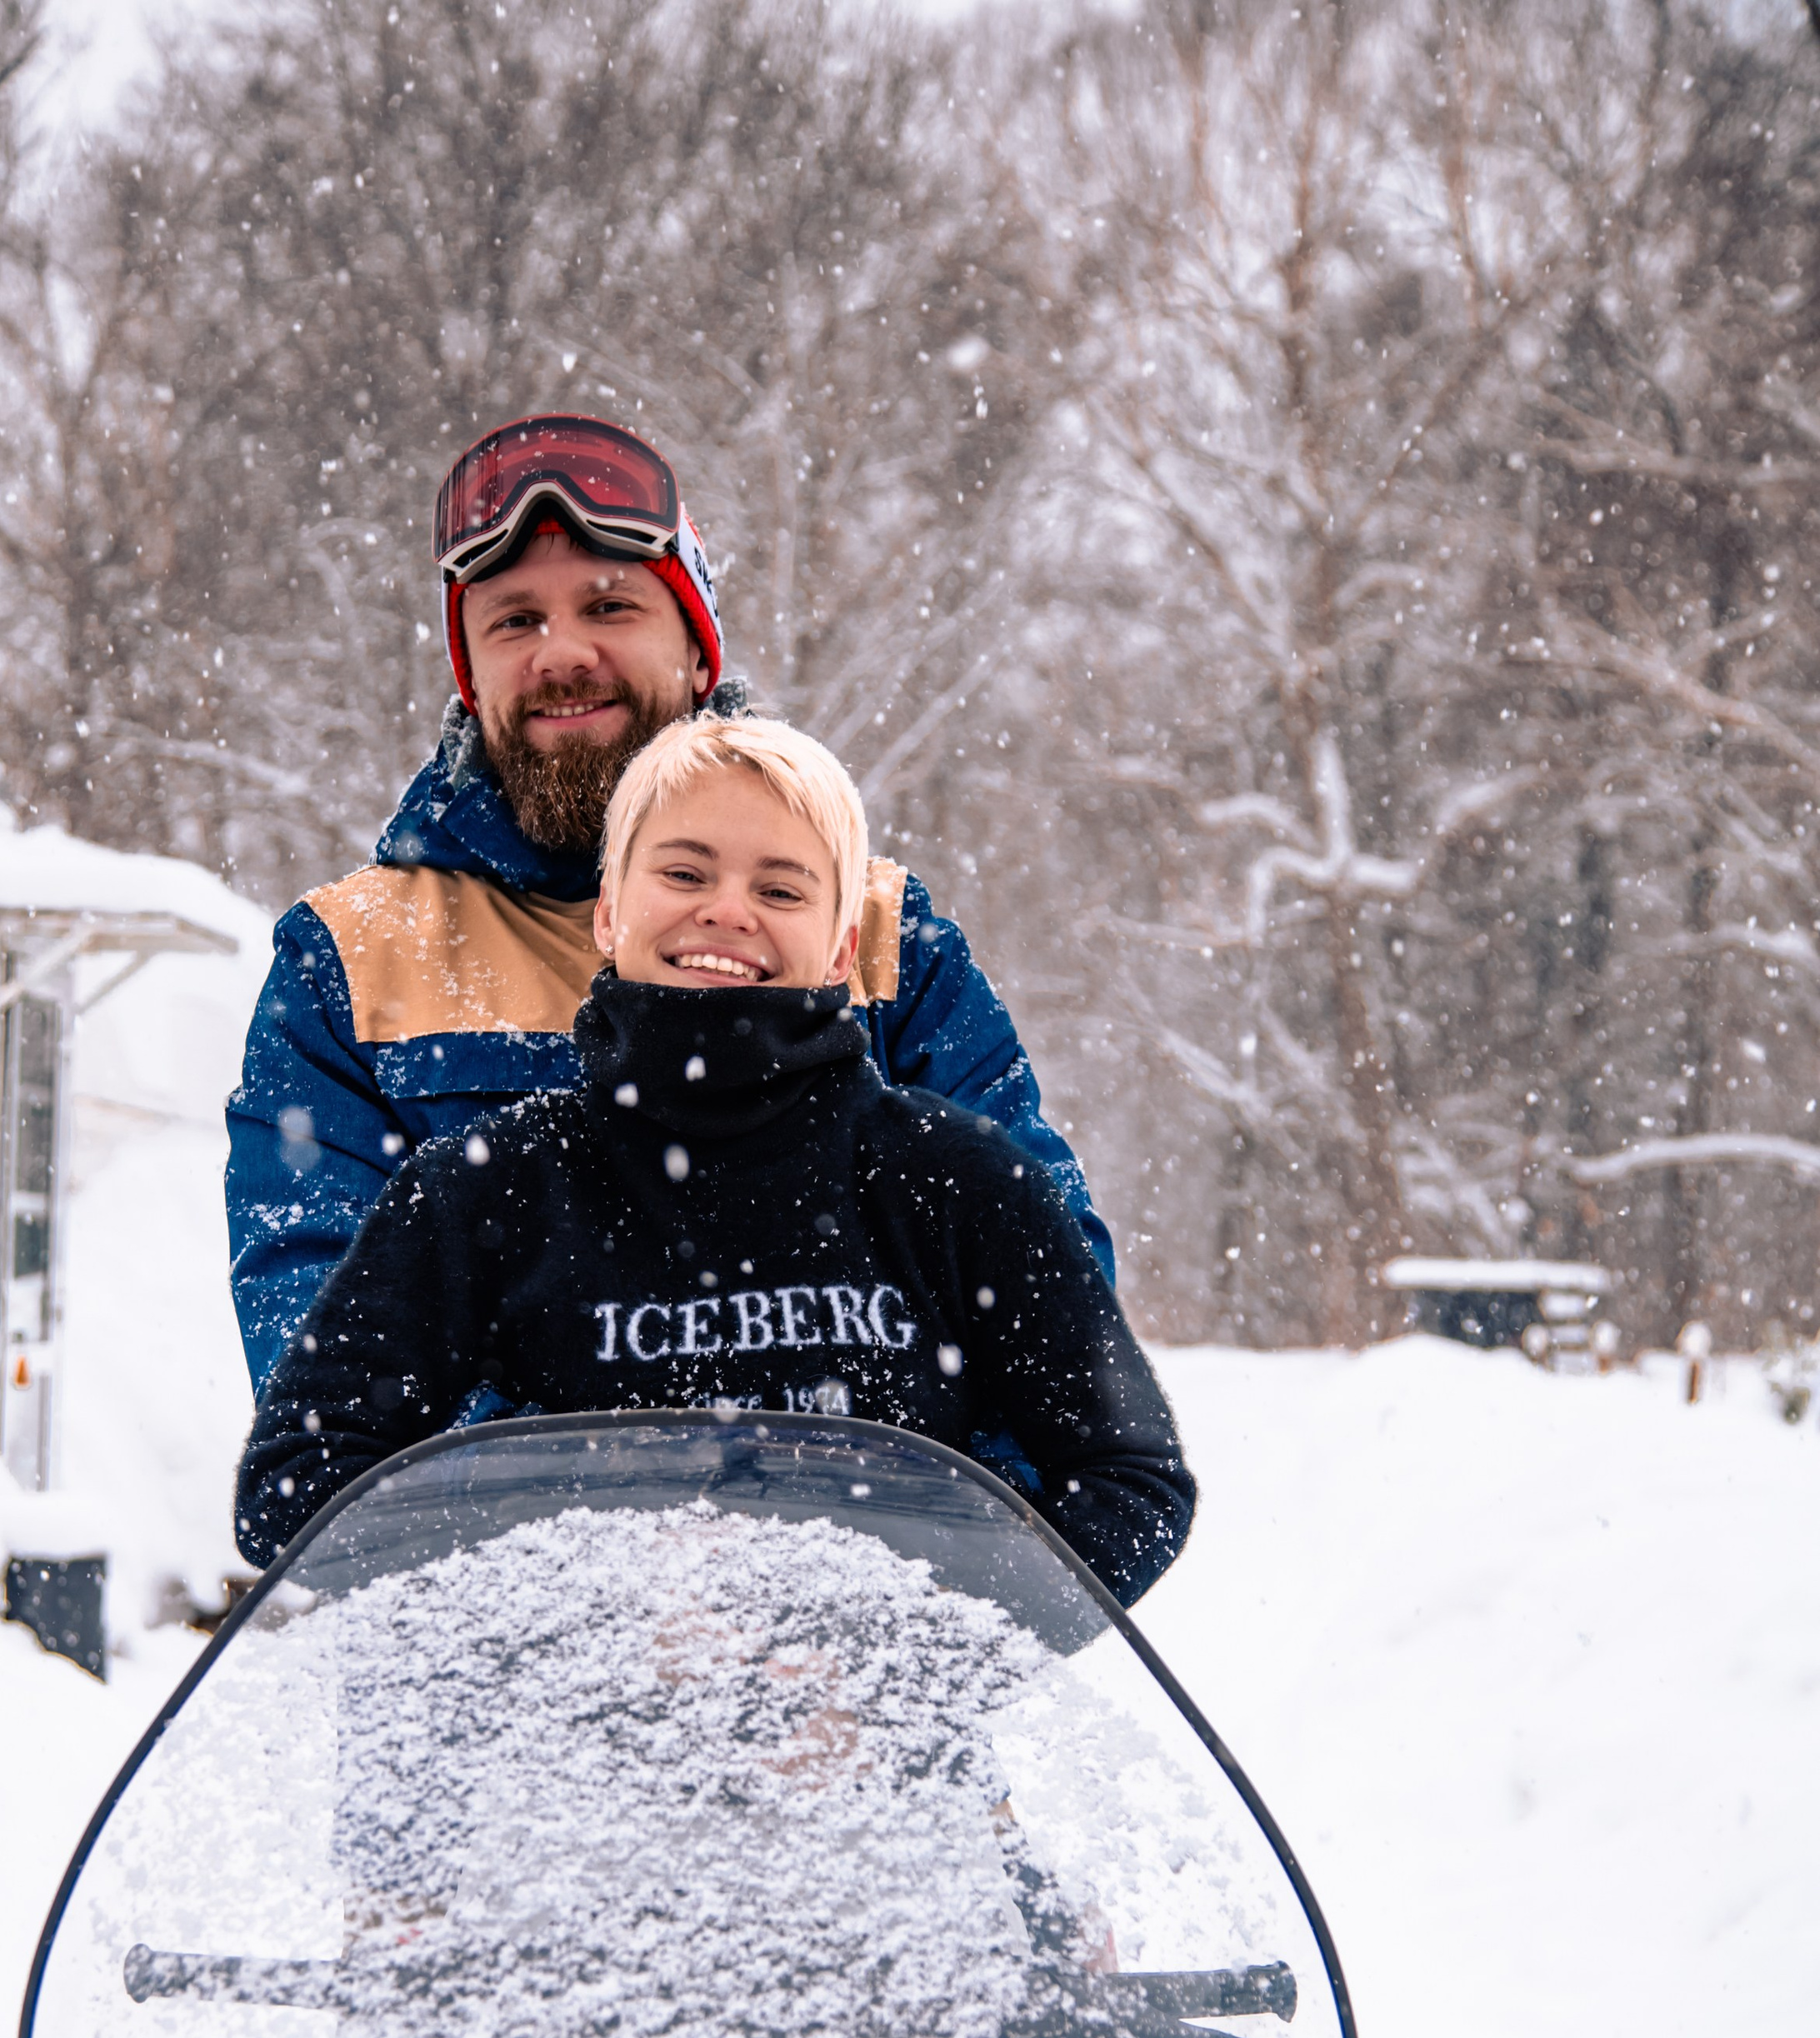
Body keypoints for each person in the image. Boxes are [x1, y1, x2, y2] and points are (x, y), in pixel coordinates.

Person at [225, 412, 1121, 1422]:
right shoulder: (352, 965)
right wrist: (598, 1523)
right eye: (515, 621)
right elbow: (328, 1363)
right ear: (469, 680)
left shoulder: (877, 939)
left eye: (609, 606)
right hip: (506, 1569)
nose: (562, 653)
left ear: (697, 652)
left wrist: (862, 1514)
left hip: (858, 1553)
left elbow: (1047, 1309)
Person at [237, 717, 1195, 1606]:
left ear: (839, 947)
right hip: (535, 1772)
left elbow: (1129, 1482)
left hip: (872, 1771)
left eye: (781, 888)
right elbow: (296, 1486)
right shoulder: (481, 1188)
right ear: (609, 912)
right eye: (685, 874)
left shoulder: (956, 1183)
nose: (728, 911)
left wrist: (892, 1659)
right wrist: (595, 1598)